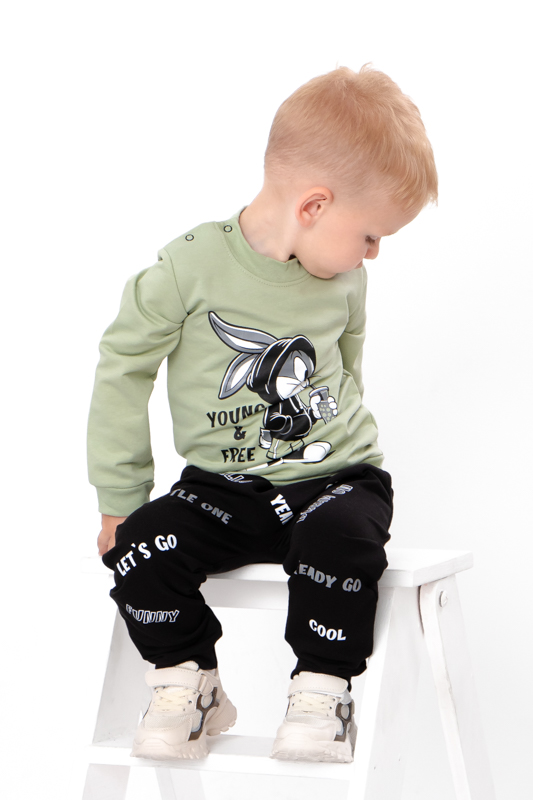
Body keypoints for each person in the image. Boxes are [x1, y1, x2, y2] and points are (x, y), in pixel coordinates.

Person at [88, 64, 438, 763]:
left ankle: (321, 690)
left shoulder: (345, 280)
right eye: (370, 235)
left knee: (340, 537)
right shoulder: (185, 272)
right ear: (314, 205)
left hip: (335, 479)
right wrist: (120, 499)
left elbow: (348, 370)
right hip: (224, 491)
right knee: (139, 545)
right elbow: (122, 370)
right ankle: (187, 680)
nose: (372, 254)